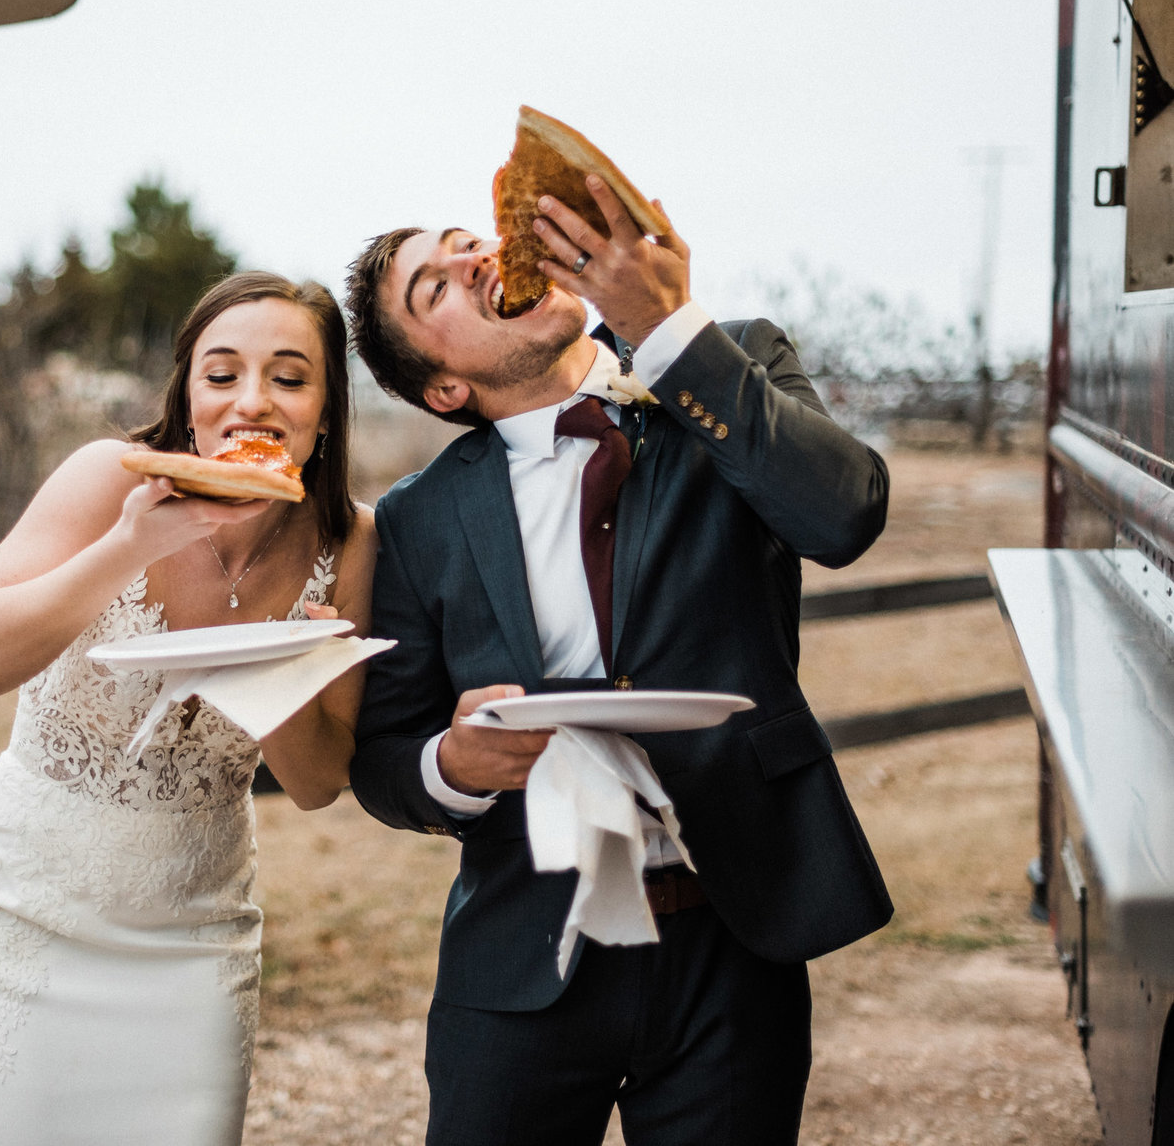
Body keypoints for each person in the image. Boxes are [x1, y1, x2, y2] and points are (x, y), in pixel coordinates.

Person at [343, 175, 893, 1144]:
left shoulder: (731, 366)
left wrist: (667, 326)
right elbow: (388, 754)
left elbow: (842, 516)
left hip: (734, 937)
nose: (475, 260)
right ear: (443, 386)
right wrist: (452, 767)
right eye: (434, 287)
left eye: (473, 242)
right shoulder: (417, 520)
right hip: (519, 957)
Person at [0, 271, 377, 1146]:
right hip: (22, 916)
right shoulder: (109, 479)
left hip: (194, 937)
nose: (253, 402)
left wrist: (282, 671)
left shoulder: (348, 539)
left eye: (289, 377)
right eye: (222, 374)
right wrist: (137, 542)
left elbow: (320, 784)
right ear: (188, 398)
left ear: (326, 413)